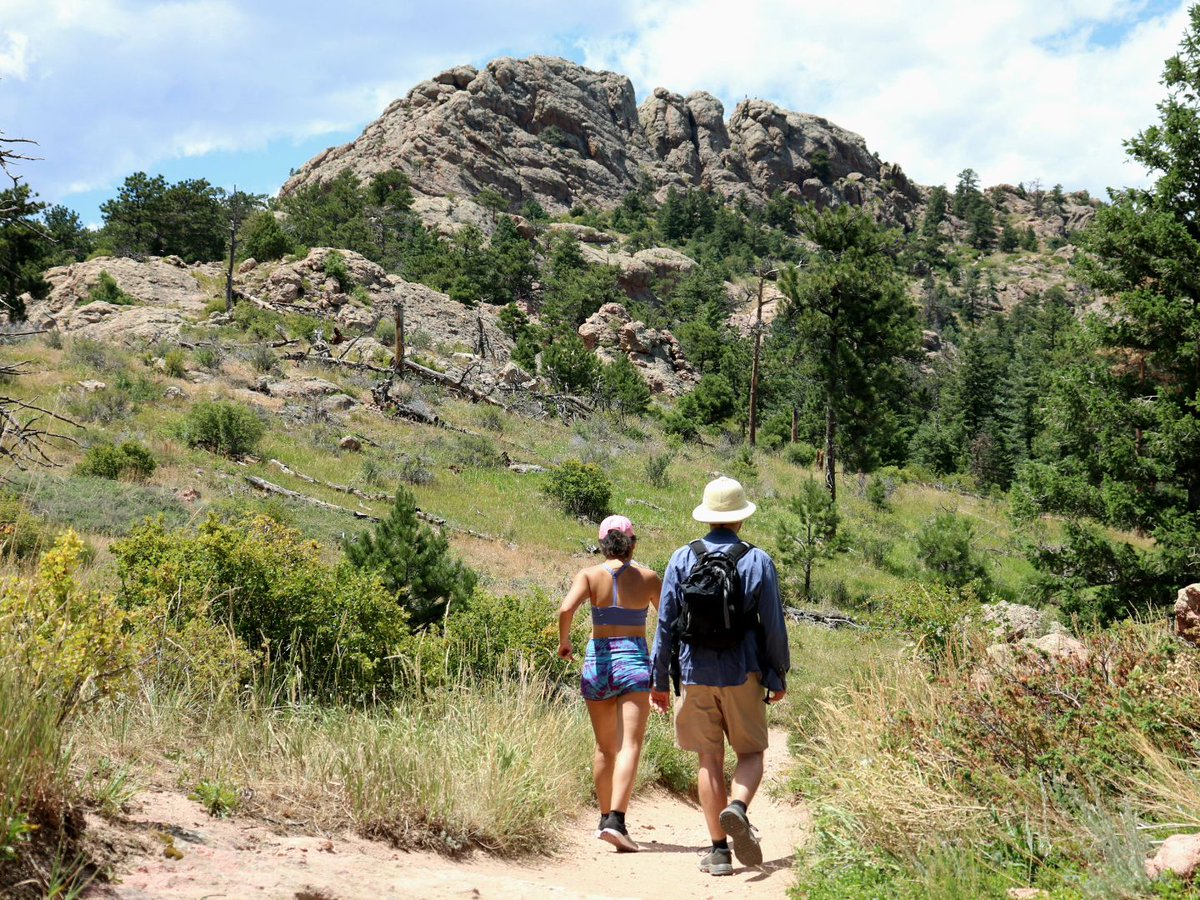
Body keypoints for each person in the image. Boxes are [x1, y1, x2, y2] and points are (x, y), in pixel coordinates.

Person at [650, 476, 790, 877]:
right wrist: (776, 674)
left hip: (693, 673)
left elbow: (665, 624)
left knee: (708, 759)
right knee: (750, 753)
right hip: (743, 671)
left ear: (707, 517)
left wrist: (659, 681)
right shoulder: (757, 560)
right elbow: (774, 626)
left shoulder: (681, 557)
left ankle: (719, 852)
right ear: (741, 519)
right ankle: (739, 807)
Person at [559, 514, 662, 852]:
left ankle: (604, 819)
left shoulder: (588, 576)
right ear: (632, 543)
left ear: (603, 543)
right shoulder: (648, 578)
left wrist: (565, 643)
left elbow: (565, 610)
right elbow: (667, 621)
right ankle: (617, 820)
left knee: (605, 747)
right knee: (629, 744)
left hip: (598, 661)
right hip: (633, 661)